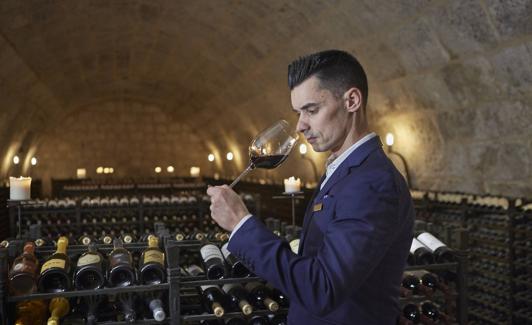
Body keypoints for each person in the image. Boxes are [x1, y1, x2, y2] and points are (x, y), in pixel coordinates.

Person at [207, 49, 414, 324]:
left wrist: (241, 223)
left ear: (351, 100)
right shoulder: (345, 170)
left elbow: (322, 288)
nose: (300, 126)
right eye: (297, 113)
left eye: (311, 110)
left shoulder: (372, 182)